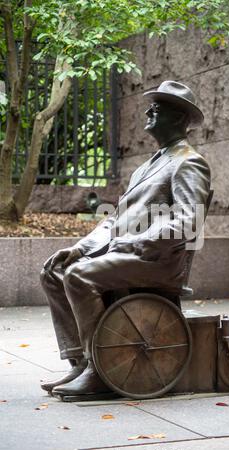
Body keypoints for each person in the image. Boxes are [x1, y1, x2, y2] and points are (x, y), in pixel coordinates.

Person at [40, 80, 211, 399]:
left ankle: (100, 371)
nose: (148, 111)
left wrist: (137, 241)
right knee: (55, 271)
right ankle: (79, 360)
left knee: (78, 276)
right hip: (130, 254)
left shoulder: (189, 162)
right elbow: (115, 220)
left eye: (156, 108)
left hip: (155, 262)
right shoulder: (146, 167)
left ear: (178, 118)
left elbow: (188, 220)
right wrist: (79, 248)